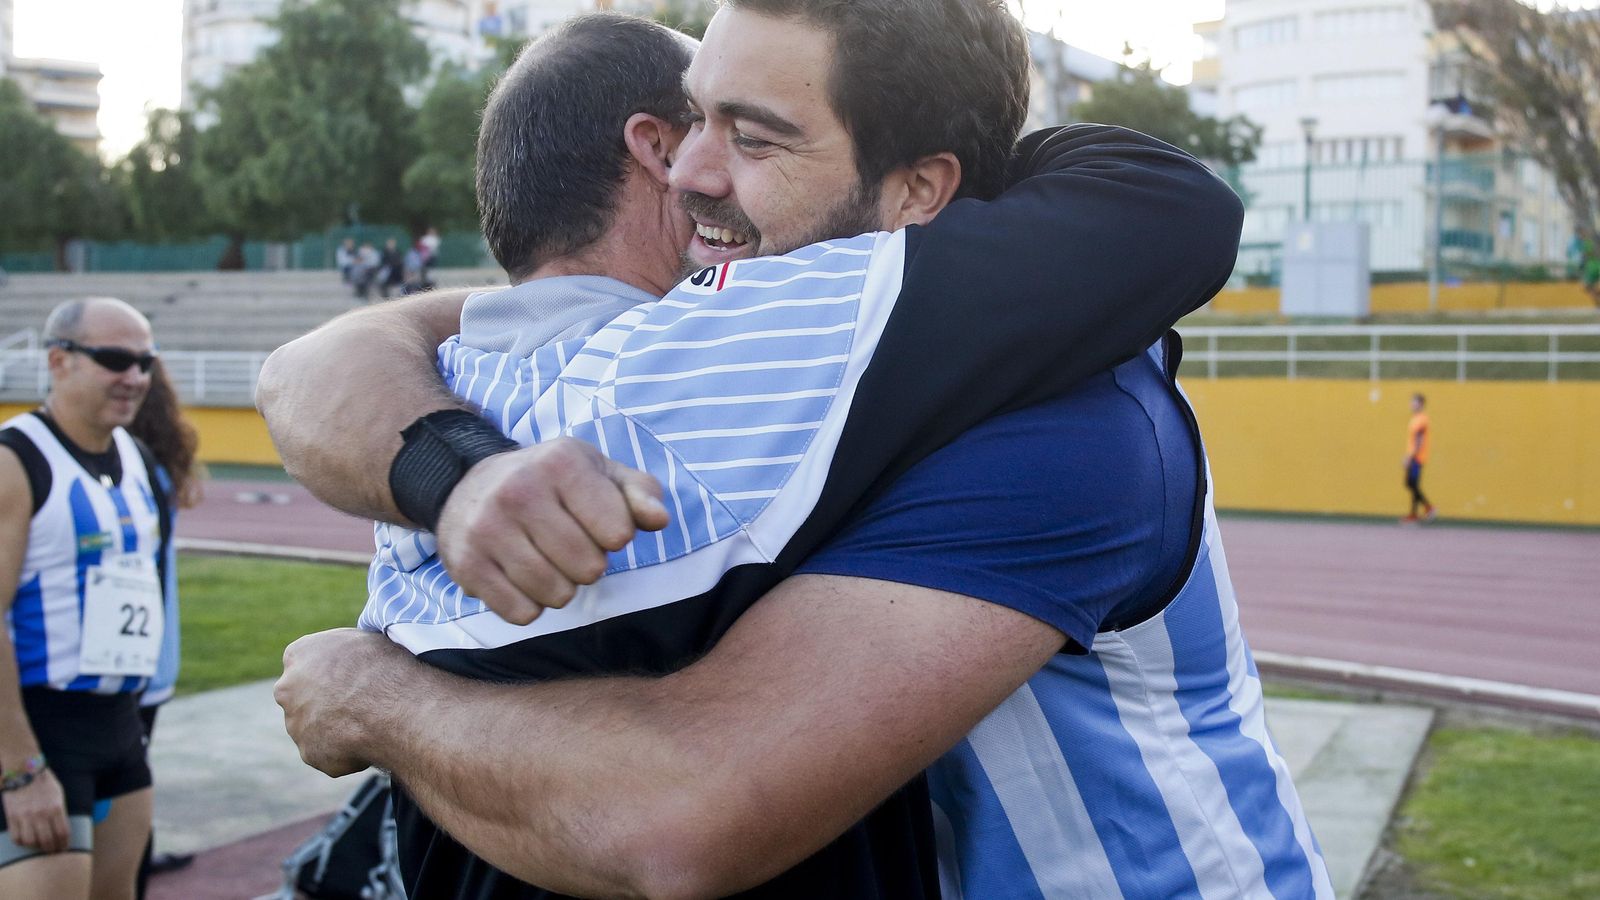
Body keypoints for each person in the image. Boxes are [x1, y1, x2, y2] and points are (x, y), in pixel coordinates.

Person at [267, 6, 1330, 900]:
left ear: (920, 195)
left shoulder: (1060, 427)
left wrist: (374, 698)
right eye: (694, 120)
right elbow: (373, 345)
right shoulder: (773, 344)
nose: (685, 172)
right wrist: (459, 468)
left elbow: (680, 812)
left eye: (756, 137)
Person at [1, 298, 166, 900]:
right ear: (58, 361)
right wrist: (19, 771)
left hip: (120, 726)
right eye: (115, 359)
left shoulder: (136, 458)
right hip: (38, 730)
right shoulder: (16, 460)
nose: (136, 378)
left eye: (145, 362)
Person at [124, 359, 202, 895]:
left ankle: (132, 857)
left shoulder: (128, 467)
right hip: (152, 650)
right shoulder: (156, 465)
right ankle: (136, 853)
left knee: (117, 774)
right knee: (132, 766)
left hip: (124, 652)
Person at [1403, 392, 1436, 523]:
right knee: (1411, 484)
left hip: (1417, 458)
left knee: (1412, 483)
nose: (1411, 404)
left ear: (1421, 404)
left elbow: (1419, 440)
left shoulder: (1422, 419)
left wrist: (1410, 457)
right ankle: (1417, 512)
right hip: (1414, 457)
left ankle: (1427, 508)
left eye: (1414, 402)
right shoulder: (1415, 418)